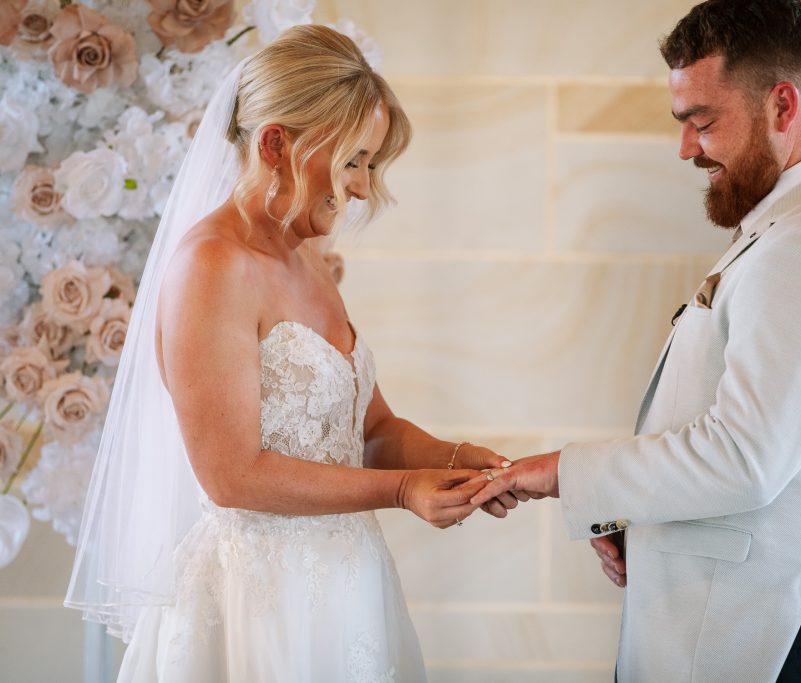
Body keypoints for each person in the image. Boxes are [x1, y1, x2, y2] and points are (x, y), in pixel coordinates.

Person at [65, 25, 521, 681]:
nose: (363, 188)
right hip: (258, 606)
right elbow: (233, 474)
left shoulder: (306, 258)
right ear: (276, 143)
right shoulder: (212, 266)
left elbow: (374, 430)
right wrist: (400, 490)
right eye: (353, 160)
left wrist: (456, 461)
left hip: (349, 586)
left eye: (370, 164)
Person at [471, 1, 801, 681]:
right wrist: (631, 511)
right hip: (722, 622)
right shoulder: (798, 221)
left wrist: (564, 472)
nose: (686, 148)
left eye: (702, 122)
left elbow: (744, 457)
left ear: (782, 106)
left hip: (758, 640)